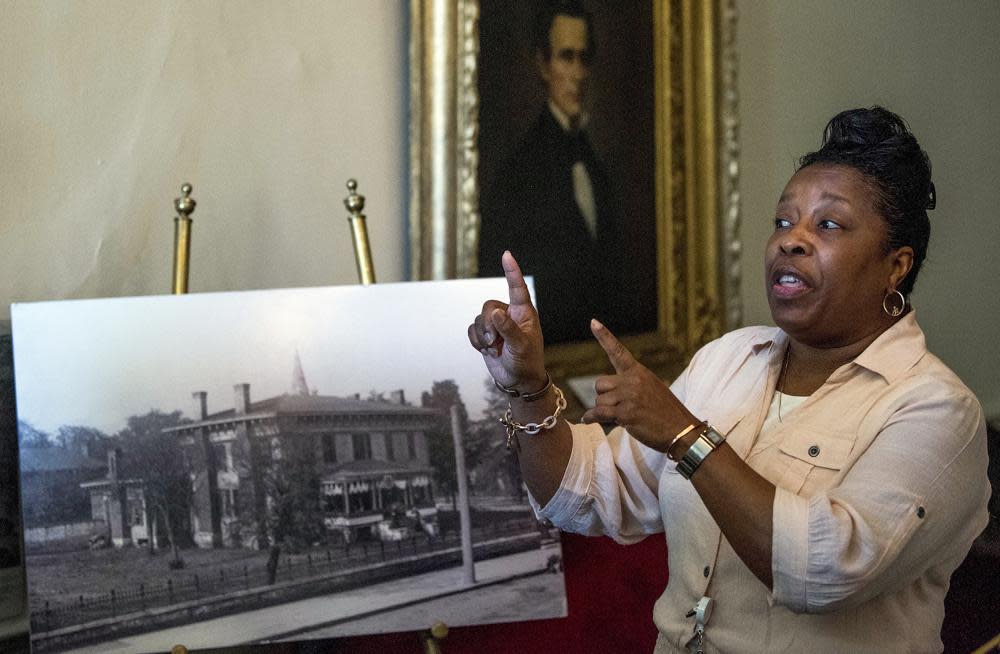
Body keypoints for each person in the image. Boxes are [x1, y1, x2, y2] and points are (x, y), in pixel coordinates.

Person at [468, 107, 990, 652]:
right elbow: (584, 493)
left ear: (896, 266)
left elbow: (826, 568)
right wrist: (527, 385)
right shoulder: (731, 359)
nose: (792, 240)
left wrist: (684, 436)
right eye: (783, 222)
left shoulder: (935, 410)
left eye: (828, 224)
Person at [478, 0, 630, 345]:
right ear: (544, 65)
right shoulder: (520, 172)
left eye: (583, 58)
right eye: (565, 57)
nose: (578, 74)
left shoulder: (595, 165)